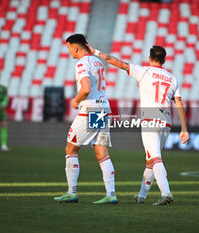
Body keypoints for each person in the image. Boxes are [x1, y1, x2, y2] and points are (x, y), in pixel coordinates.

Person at [87, 44, 189, 205]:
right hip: (167, 122)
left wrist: (96, 52)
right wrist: (184, 128)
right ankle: (141, 196)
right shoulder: (172, 78)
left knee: (155, 158)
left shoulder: (144, 71)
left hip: (150, 118)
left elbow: (117, 62)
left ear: (149, 58)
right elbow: (179, 103)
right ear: (164, 60)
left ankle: (166, 193)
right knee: (150, 160)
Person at [54, 34, 117, 204]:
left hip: (90, 110)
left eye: (69, 48)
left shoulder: (82, 63)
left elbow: (86, 88)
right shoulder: (98, 62)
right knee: (102, 153)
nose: (68, 51)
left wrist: (75, 100)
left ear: (76, 47)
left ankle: (71, 192)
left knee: (70, 149)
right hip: (103, 108)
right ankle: (111, 195)